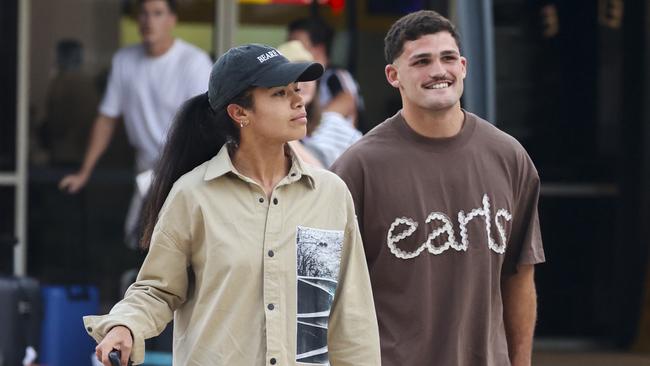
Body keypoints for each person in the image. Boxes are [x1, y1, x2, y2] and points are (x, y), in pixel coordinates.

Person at [83, 43, 381, 366]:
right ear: (239, 113)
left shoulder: (331, 195)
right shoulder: (193, 195)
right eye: (280, 94)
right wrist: (126, 325)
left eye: (296, 89)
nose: (299, 100)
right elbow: (157, 289)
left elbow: (351, 316)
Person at [331, 10, 546, 366]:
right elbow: (326, 289)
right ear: (393, 75)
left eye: (448, 58)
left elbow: (520, 276)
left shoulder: (509, 158)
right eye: (421, 61)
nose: (438, 71)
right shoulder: (358, 168)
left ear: (463, 66)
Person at [58, 0, 213, 248]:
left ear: (172, 20)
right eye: (143, 14)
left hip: (187, 168)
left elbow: (208, 121)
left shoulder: (194, 61)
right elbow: (107, 118)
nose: (149, 21)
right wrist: (84, 173)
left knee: (183, 246)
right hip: (145, 170)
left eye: (157, 13)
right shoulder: (124, 60)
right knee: (141, 244)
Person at [277, 40, 361, 168]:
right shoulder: (267, 132)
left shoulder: (333, 124)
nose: (303, 83)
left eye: (308, 76)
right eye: (295, 75)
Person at [287, 16, 364, 129]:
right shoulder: (295, 76)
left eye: (298, 45)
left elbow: (347, 101)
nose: (292, 49)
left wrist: (306, 125)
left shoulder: (336, 75)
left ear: (319, 49)